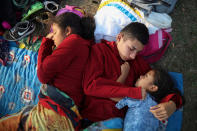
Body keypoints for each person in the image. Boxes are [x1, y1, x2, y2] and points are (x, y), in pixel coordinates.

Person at [0, 12, 95, 131]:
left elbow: (42, 74)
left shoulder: (73, 42)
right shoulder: (83, 46)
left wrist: (45, 43)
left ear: (68, 31)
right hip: (60, 112)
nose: (53, 37)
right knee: (9, 122)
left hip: (58, 113)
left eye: (54, 32)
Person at [81, 22, 183, 123]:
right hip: (93, 118)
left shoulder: (136, 62)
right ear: (119, 38)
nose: (133, 56)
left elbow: (159, 84)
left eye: (138, 52)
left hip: (123, 123)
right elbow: (90, 86)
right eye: (131, 49)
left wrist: (172, 104)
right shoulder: (100, 51)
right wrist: (133, 92)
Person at [115, 67, 184, 131]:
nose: (140, 76)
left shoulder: (141, 95)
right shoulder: (157, 107)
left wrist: (123, 75)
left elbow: (116, 95)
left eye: (145, 76)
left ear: (153, 88)